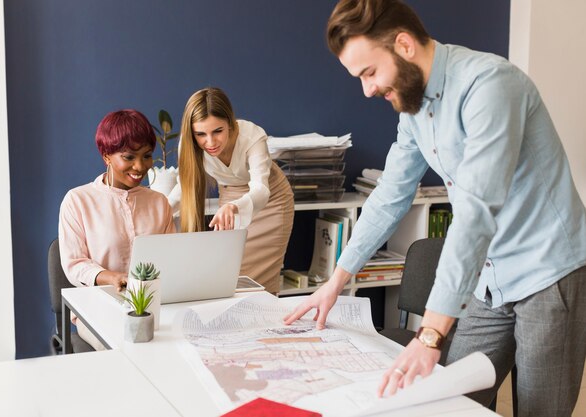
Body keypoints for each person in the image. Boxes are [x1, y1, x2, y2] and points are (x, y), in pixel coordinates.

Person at [284, 1, 586, 415]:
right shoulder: (414, 107)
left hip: (547, 274)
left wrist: (429, 335)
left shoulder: (490, 85)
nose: (367, 90)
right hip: (488, 277)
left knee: (539, 410)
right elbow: (391, 193)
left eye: (369, 73)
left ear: (404, 45)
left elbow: (477, 213)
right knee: (451, 401)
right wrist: (336, 281)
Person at [59, 109, 175, 350]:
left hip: (154, 307)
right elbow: (75, 263)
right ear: (106, 156)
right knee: (128, 347)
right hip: (98, 307)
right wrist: (110, 277)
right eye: (129, 157)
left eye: (146, 156)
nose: (140, 166)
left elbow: (170, 259)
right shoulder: (78, 200)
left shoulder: (158, 202)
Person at [168, 87, 294, 294]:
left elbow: (261, 189)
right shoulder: (189, 145)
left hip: (271, 201)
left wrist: (234, 206)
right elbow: (183, 187)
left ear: (230, 123)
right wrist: (159, 211)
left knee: (260, 282)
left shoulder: (251, 136)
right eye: (201, 134)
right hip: (230, 198)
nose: (210, 142)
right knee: (229, 274)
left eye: (218, 131)